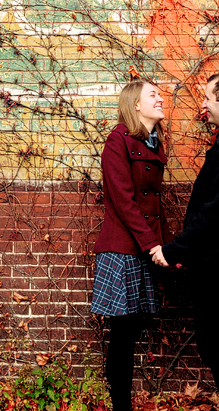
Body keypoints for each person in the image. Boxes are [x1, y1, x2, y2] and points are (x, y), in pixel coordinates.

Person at [150, 73, 219, 411]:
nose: (202, 104)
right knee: (213, 337)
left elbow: (215, 210)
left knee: (217, 339)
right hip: (215, 254)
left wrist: (174, 250)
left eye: (206, 98)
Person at [92, 80, 170, 411]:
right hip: (123, 250)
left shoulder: (153, 143)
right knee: (122, 337)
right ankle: (121, 407)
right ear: (136, 104)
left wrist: (169, 250)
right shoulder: (117, 141)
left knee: (133, 330)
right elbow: (123, 201)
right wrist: (153, 245)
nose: (161, 98)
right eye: (153, 95)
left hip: (145, 247)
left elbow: (155, 204)